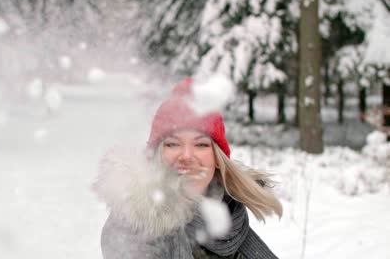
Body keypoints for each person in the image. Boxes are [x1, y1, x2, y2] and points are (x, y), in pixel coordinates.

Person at [93, 78, 283, 259]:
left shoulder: (232, 220)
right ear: (156, 156)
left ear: (217, 159)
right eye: (173, 144)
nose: (186, 156)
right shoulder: (133, 224)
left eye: (201, 145)